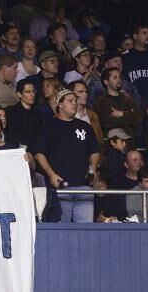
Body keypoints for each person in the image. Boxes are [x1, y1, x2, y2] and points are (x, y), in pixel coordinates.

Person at [33, 88, 101, 223]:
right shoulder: (49, 126)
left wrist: (93, 168)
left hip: (84, 186)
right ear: (60, 104)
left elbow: (95, 150)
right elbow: (39, 153)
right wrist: (51, 174)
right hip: (60, 186)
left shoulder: (84, 126)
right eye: (70, 101)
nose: (75, 104)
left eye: (76, 101)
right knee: (62, 230)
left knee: (85, 231)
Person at [92, 67, 144, 139]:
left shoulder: (127, 98)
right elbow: (106, 122)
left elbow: (140, 118)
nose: (119, 80)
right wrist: (130, 115)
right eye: (115, 77)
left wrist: (122, 114)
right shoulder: (100, 101)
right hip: (112, 142)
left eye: (119, 77)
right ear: (106, 82)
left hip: (131, 140)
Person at [5, 79, 43, 151]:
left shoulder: (38, 113)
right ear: (19, 94)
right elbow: (11, 135)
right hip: (19, 150)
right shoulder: (12, 112)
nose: (32, 94)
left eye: (33, 91)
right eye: (28, 92)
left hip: (36, 150)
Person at [70, 80, 103, 148]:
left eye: (86, 92)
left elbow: (99, 139)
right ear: (71, 94)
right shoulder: (64, 116)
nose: (85, 94)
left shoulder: (93, 115)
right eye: (80, 92)